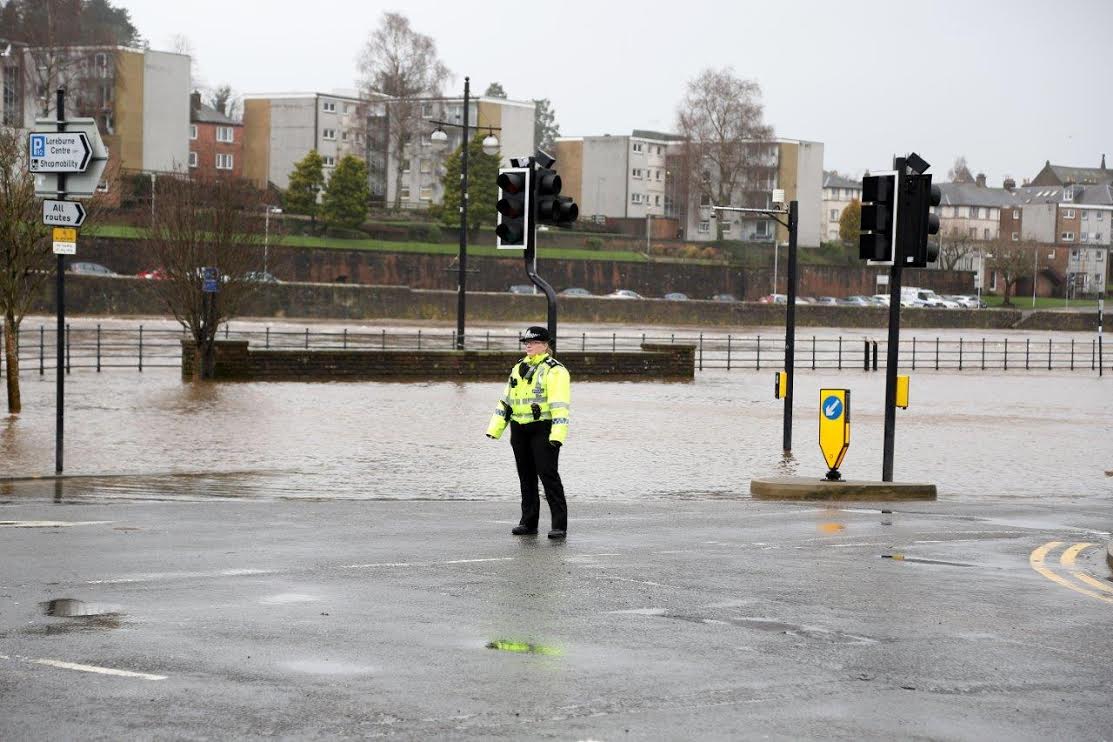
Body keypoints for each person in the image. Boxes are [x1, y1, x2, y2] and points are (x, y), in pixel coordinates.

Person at [486, 326, 570, 539]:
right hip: (519, 428)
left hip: (543, 428)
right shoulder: (518, 367)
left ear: (544, 344)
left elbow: (560, 405)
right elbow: (506, 401)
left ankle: (559, 525)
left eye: (532, 342)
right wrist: (494, 429)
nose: (528, 346)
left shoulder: (555, 370)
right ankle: (529, 523)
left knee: (548, 476)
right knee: (526, 477)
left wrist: (557, 435)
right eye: (526, 342)